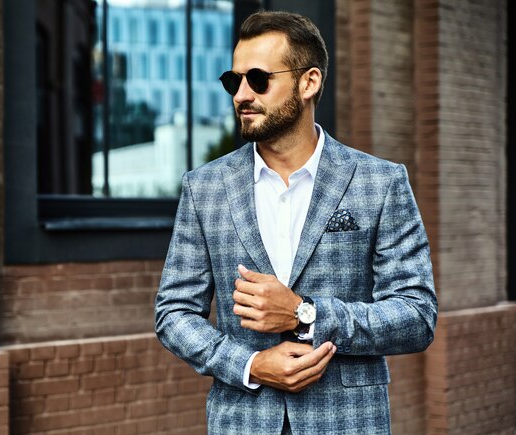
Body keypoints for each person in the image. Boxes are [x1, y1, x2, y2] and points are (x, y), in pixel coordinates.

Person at [155, 10, 437, 435]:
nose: (241, 95)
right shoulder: (205, 188)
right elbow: (173, 312)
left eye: (258, 79)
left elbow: (417, 316)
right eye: (234, 82)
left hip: (347, 422)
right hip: (242, 421)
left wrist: (305, 315)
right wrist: (249, 364)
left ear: (309, 82)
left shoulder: (380, 183)